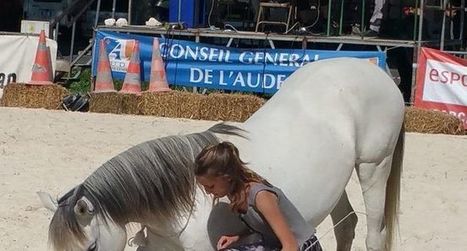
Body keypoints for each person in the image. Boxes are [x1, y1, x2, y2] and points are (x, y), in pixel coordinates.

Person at [194, 141, 322, 251]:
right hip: (276, 244)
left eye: (210, 186)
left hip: (302, 247)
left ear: (227, 178)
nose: (207, 192)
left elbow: (291, 245)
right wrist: (237, 238)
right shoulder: (234, 193)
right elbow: (265, 228)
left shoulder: (260, 196)